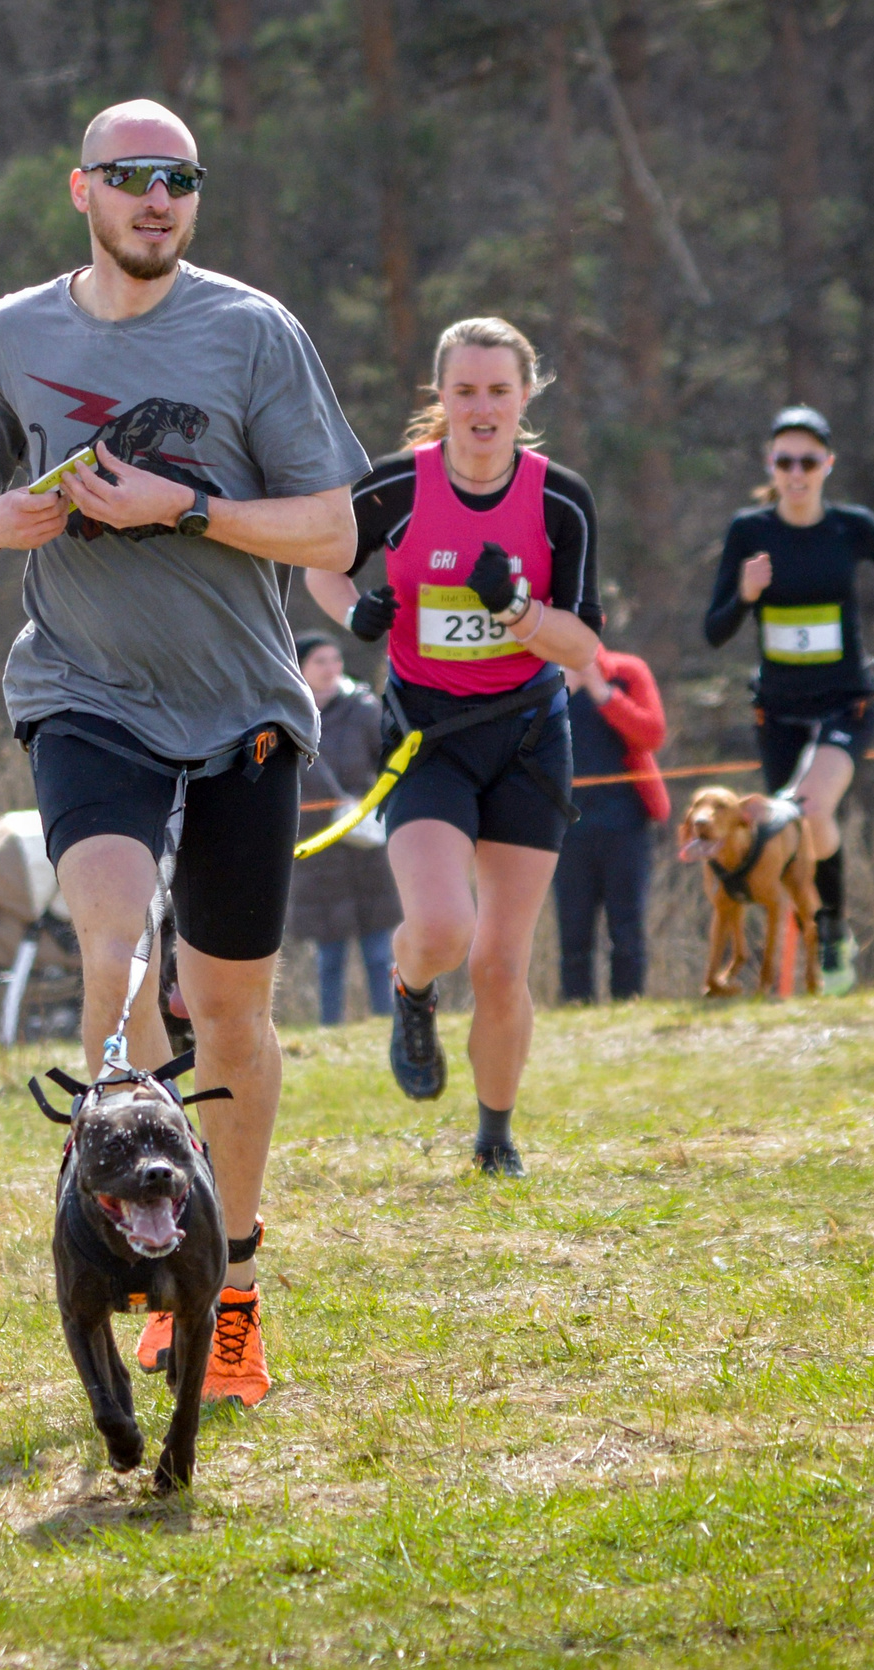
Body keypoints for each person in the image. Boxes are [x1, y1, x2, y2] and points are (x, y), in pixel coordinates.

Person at [0, 98, 367, 1404]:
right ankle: (124, 1235)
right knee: (117, 953)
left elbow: (335, 530)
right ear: (81, 191)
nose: (159, 199)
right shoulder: (13, 336)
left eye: (181, 179)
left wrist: (194, 509)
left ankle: (230, 1277)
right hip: (85, 693)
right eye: (133, 178)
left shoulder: (252, 332)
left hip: (244, 711)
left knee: (228, 1012)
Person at [309, 316, 603, 1176]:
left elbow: (584, 648)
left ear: (525, 396)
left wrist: (515, 611)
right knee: (440, 930)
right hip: (428, 740)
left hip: (525, 738)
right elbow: (320, 561)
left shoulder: (560, 500)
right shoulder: (397, 487)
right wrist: (352, 610)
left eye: (499, 392)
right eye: (465, 391)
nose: (482, 408)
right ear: (441, 396)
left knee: (502, 962)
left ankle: (495, 1135)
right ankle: (410, 990)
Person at [702, 405, 874, 994]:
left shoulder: (852, 527)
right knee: (798, 829)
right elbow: (714, 629)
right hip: (777, 711)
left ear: (828, 465)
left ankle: (832, 930)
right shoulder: (750, 531)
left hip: (846, 703)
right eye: (784, 461)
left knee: (811, 808)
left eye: (808, 461)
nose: (796, 473)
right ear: (769, 466)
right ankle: (829, 927)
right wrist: (746, 595)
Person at [284, 633, 399, 1025]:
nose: (331, 668)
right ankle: (329, 1027)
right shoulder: (287, 715)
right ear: (299, 666)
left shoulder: (364, 709)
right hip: (317, 851)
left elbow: (390, 763)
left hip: (367, 846)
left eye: (335, 659)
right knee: (329, 957)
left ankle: (387, 1023)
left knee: (380, 952)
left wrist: (373, 807)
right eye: (320, 661)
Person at [551, 644, 669, 1003]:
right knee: (573, 930)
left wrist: (603, 693)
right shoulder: (540, 679)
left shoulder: (628, 671)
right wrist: (562, 693)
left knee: (627, 926)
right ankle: (576, 1004)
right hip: (564, 827)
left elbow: (652, 734)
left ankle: (628, 1001)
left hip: (626, 822)